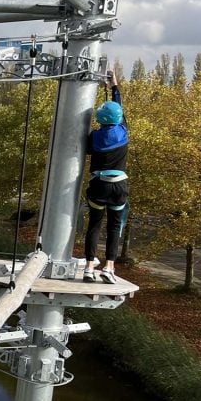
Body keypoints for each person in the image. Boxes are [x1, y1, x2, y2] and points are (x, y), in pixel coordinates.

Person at [84, 72, 129, 284]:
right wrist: (114, 87)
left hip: (99, 185)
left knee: (95, 224)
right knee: (114, 226)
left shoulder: (95, 137)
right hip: (119, 185)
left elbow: (87, 150)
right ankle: (109, 267)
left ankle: (89, 266)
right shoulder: (123, 131)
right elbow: (120, 111)